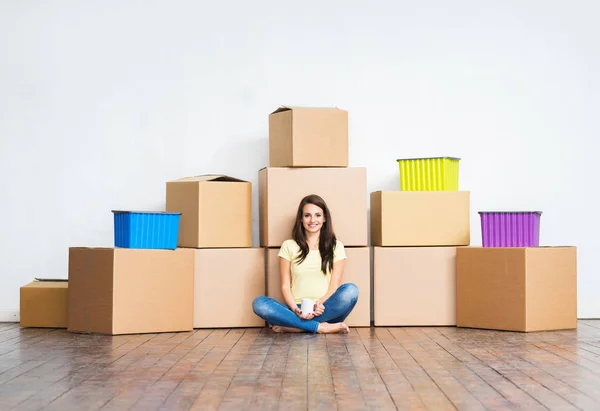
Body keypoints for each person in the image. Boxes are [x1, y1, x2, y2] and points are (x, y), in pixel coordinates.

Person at [252, 194, 359, 334]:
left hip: (323, 308)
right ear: (301, 219)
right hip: (296, 309)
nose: (313, 220)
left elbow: (334, 286)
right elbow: (285, 286)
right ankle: (318, 327)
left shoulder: (336, 246)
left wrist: (319, 304)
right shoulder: (288, 246)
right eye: (307, 215)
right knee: (260, 304)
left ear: (324, 218)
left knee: (351, 290)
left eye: (318, 215)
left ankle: (295, 327)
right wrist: (296, 309)